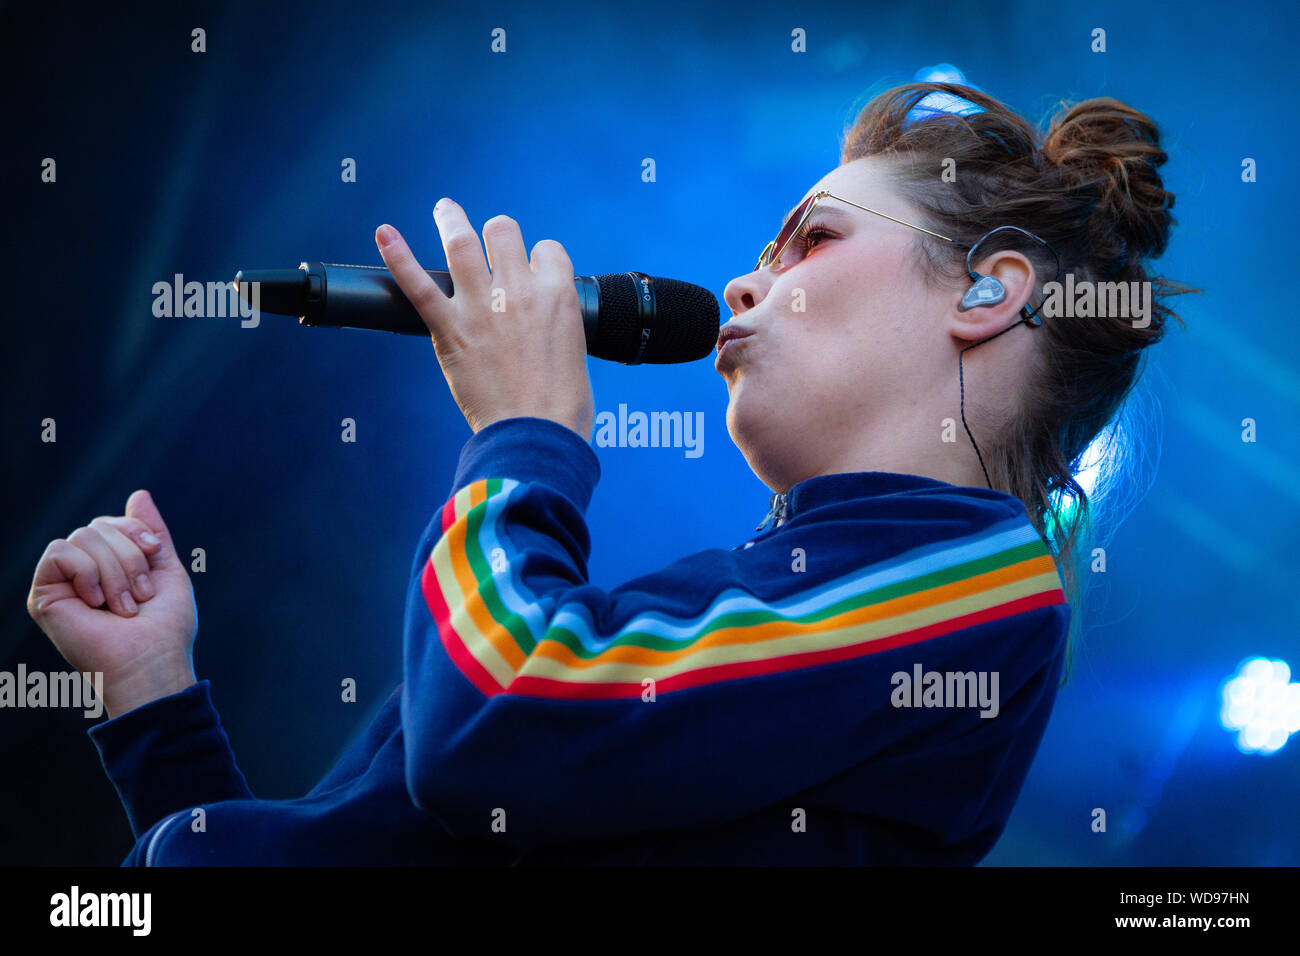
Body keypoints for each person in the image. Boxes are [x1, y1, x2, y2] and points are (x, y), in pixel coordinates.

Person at [27, 81, 1197, 865]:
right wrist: (157, 707)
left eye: (813, 240)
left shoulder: (971, 596)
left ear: (986, 292)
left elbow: (501, 724)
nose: (742, 286)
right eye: (757, 253)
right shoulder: (741, 606)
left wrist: (527, 429)